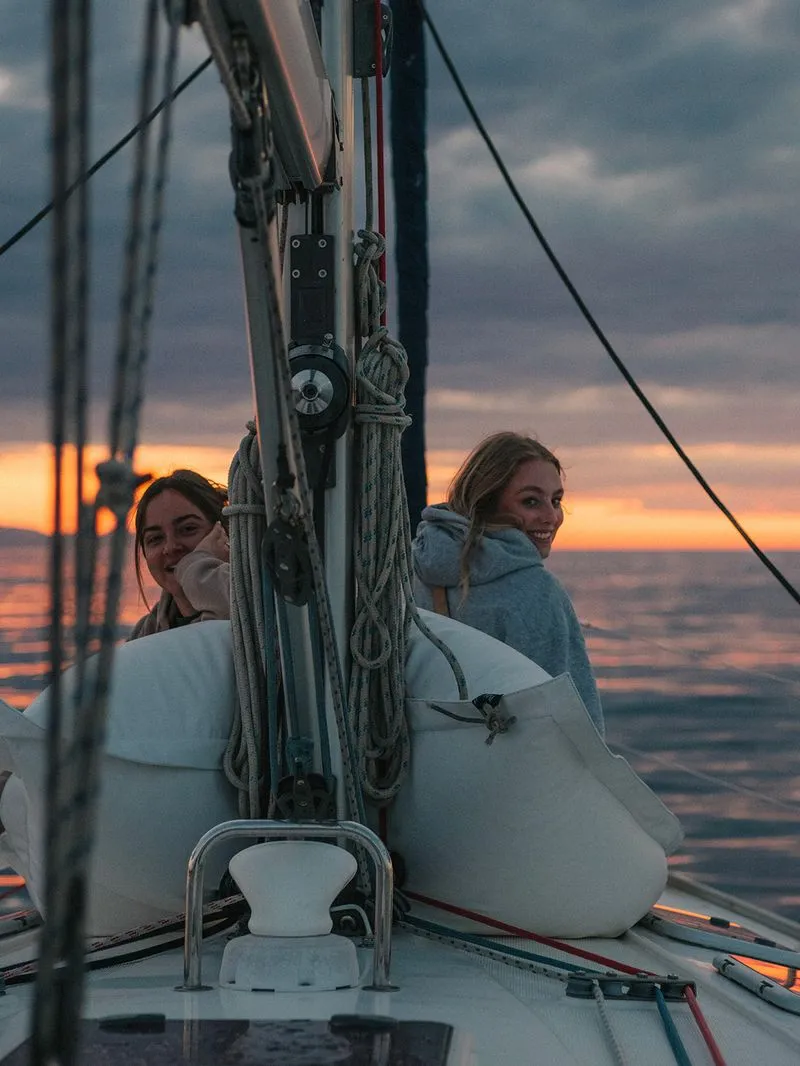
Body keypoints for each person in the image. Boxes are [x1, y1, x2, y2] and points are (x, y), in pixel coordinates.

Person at [412, 432, 604, 734]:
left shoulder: (411, 569)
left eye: (555, 501)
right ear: (487, 503)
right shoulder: (536, 591)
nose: (551, 516)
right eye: (531, 501)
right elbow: (575, 725)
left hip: (427, 764)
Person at [129, 469, 231, 640]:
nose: (170, 547)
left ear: (223, 531)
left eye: (188, 529)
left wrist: (198, 567)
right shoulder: (144, 635)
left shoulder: (265, 615)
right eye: (155, 538)